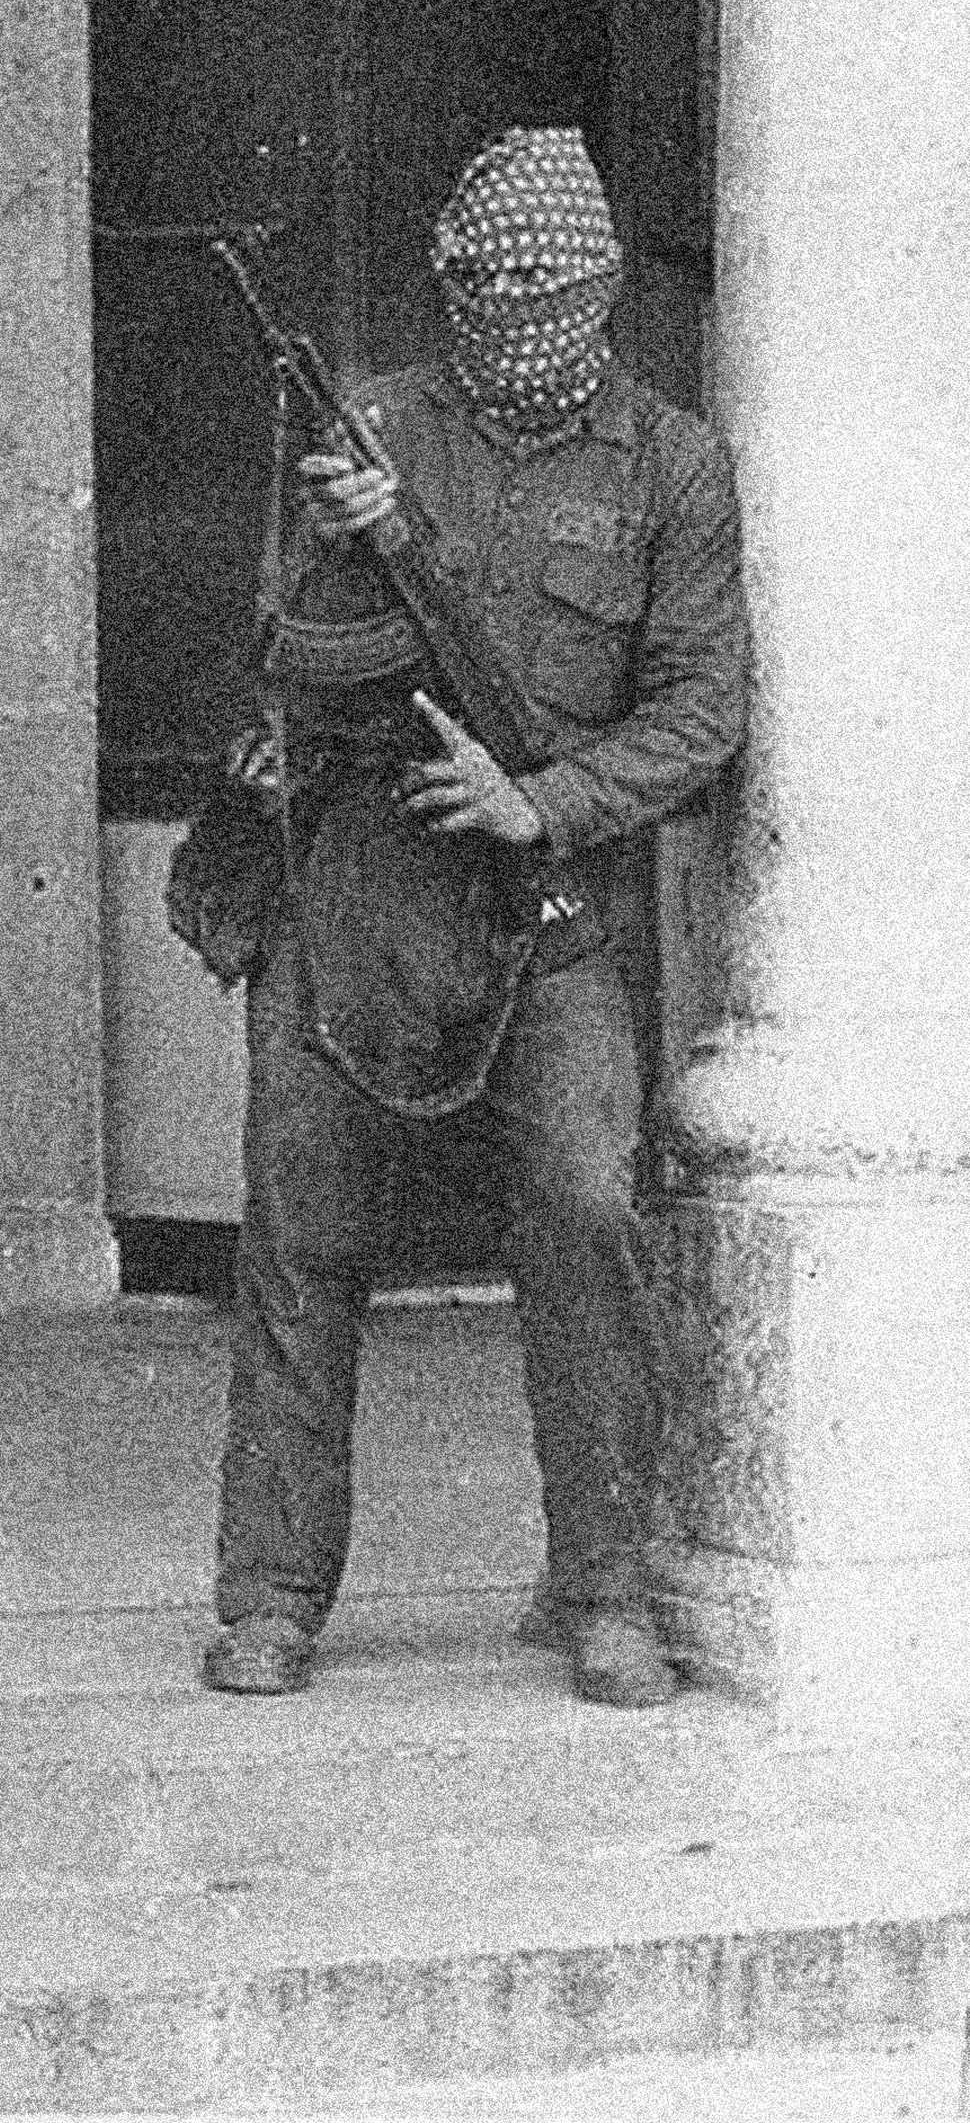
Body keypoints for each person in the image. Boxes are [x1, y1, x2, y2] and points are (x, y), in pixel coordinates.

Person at [201, 125, 749, 1711]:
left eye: (545, 285)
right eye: (479, 281)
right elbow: (277, 650)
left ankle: (602, 1590)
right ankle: (272, 1592)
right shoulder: (365, 425)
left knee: (584, 1213)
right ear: (443, 279)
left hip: (550, 898)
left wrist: (547, 803)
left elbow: (701, 709)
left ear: (600, 290)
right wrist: (354, 542)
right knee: (299, 1221)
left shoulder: (670, 467)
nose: (511, 307)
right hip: (356, 880)